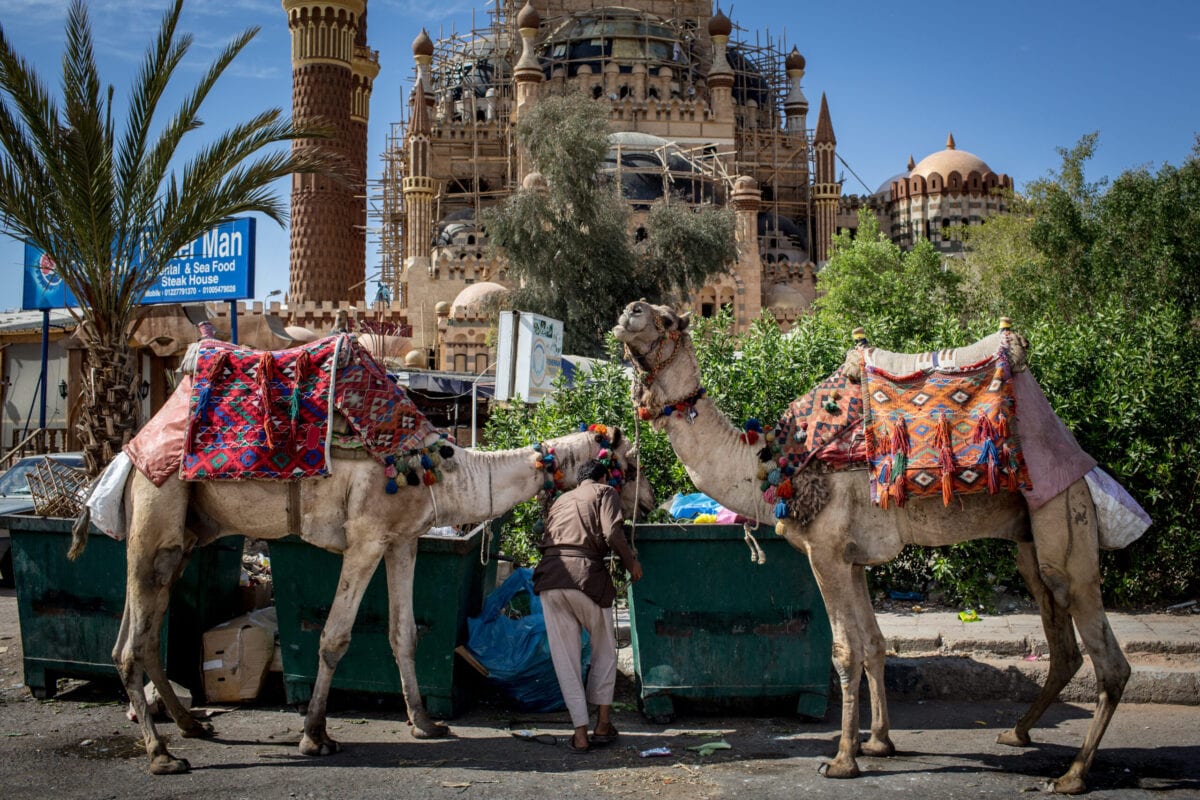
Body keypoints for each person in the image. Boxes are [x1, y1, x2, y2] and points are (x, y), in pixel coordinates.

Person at [532, 458, 643, 754]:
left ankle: (580, 734)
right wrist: (631, 562)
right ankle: (603, 725)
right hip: (586, 578)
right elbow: (612, 532)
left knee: (565, 660)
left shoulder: (560, 500)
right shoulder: (605, 492)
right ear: (603, 477)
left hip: (550, 579)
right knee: (604, 651)